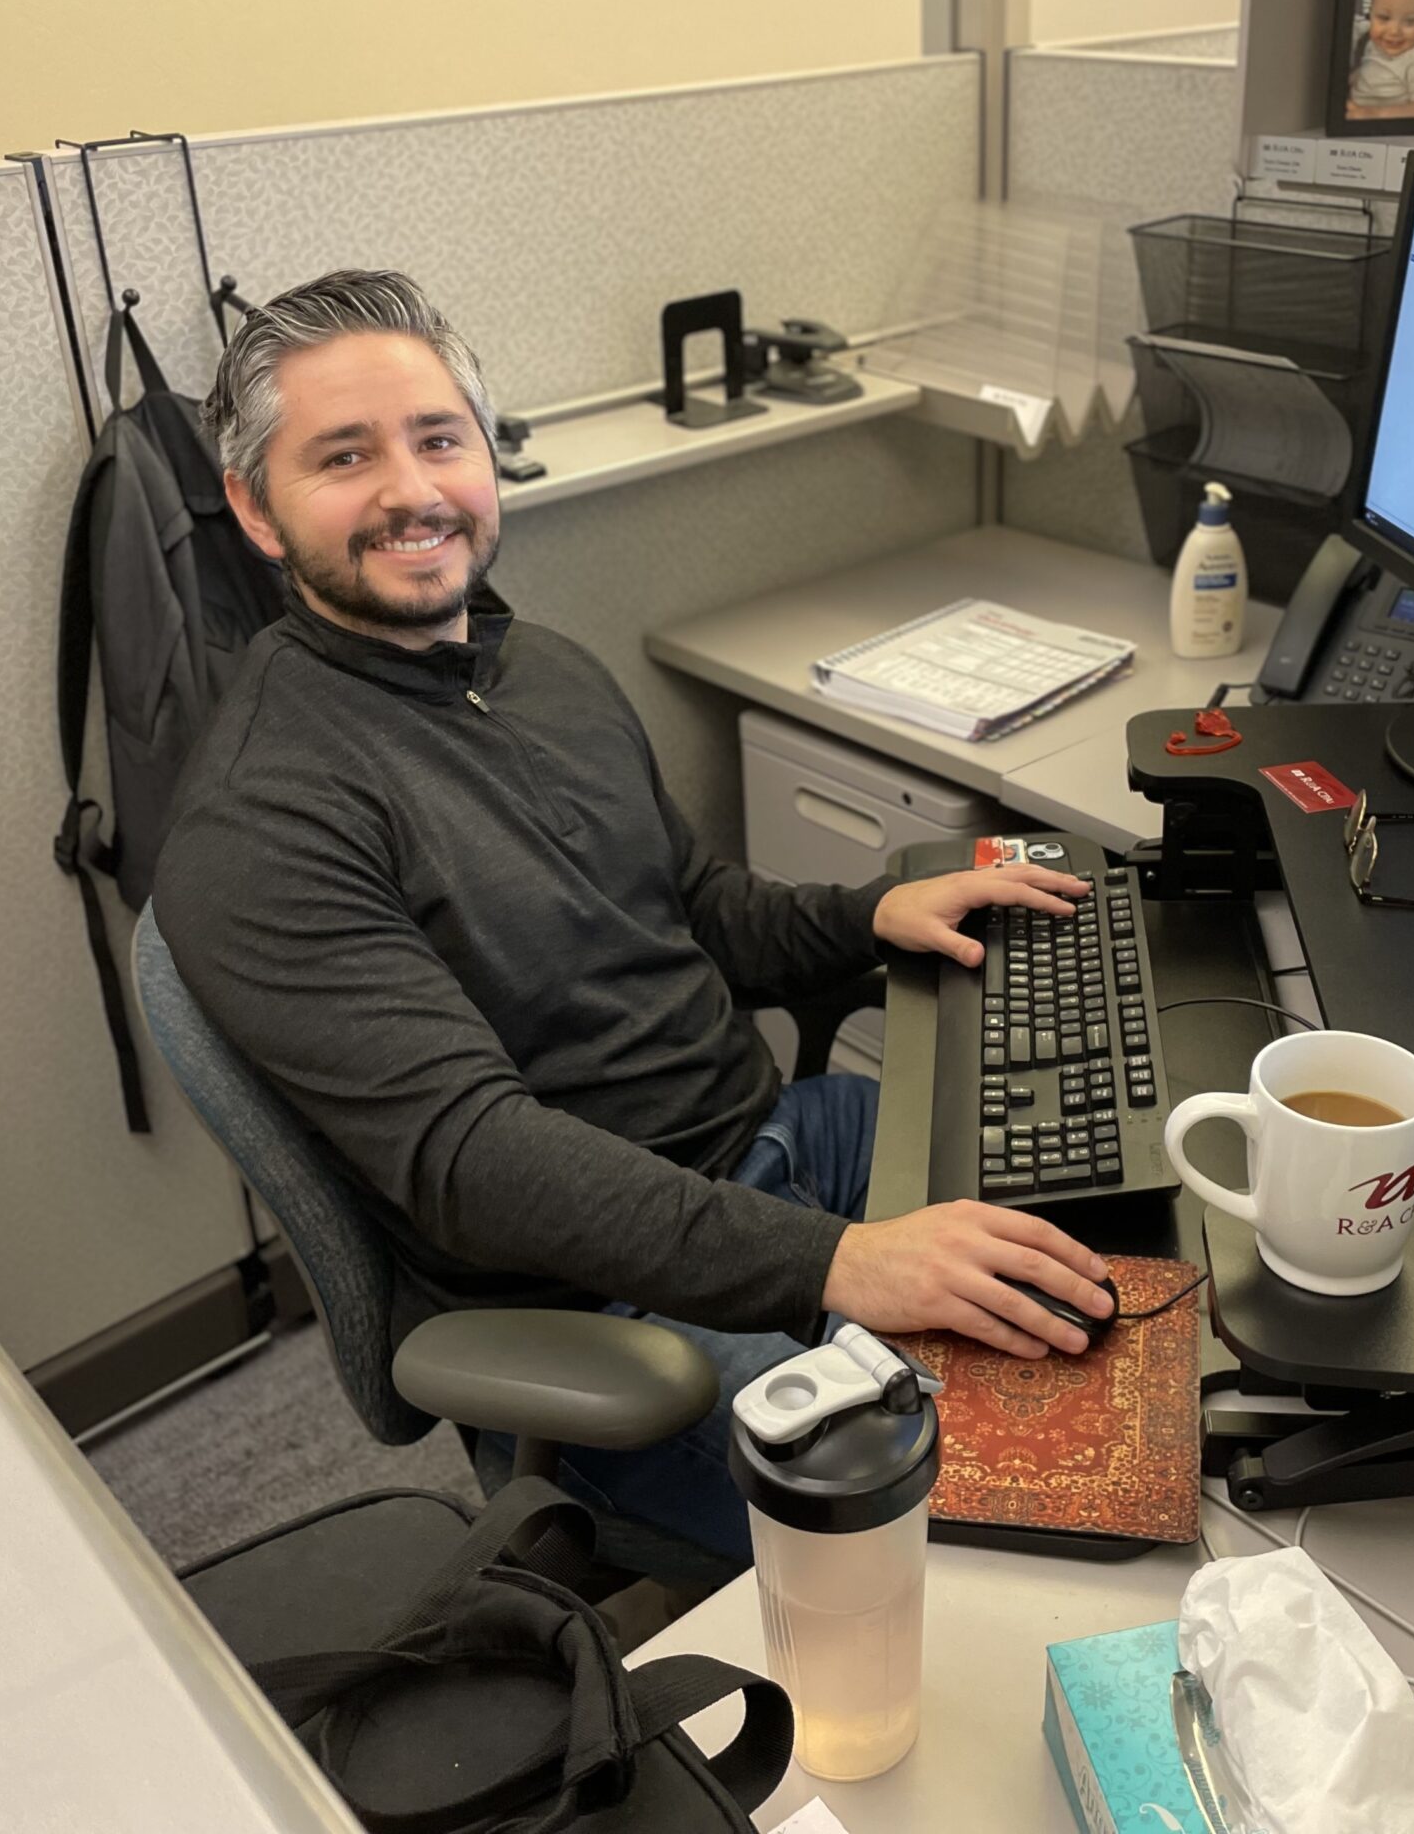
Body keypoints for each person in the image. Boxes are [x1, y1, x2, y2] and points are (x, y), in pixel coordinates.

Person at [154, 270, 1115, 1565]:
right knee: (1001, 1513)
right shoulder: (264, 819)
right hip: (608, 1307)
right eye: (343, 456)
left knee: (1120, 1256)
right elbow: (477, 1160)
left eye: (440, 439)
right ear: (257, 511)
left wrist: (877, 909)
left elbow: (699, 908)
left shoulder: (539, 668)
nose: (411, 489)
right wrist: (843, 1265)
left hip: (780, 1149)